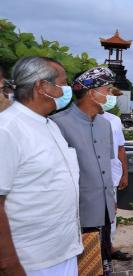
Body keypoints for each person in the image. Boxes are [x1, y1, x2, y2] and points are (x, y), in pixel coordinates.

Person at [0, 56, 82, 276]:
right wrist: (8, 263)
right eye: (62, 83)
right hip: (30, 261)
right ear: (42, 86)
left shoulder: (50, 125)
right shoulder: (8, 129)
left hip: (62, 252)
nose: (66, 90)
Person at [51, 67, 117, 276]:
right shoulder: (58, 124)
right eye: (106, 90)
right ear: (92, 92)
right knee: (81, 266)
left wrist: (111, 200)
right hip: (77, 213)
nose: (109, 95)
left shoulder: (105, 125)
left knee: (101, 263)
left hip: (103, 210)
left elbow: (107, 166)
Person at [100, 88, 131, 261]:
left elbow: (120, 148)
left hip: (112, 175)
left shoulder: (115, 120)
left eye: (114, 96)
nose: (111, 99)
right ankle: (94, 248)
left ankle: (109, 246)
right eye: (109, 95)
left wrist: (125, 174)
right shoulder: (84, 119)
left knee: (111, 213)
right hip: (91, 177)